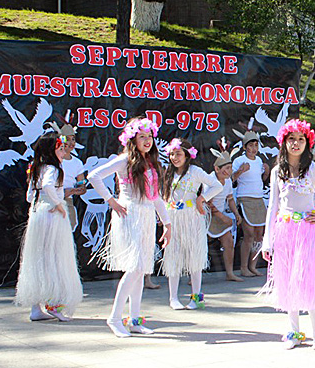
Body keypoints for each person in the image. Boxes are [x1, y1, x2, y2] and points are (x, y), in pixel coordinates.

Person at [259, 119, 315, 350]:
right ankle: (294, 331)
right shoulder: (277, 172)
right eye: (291, 139)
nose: (296, 143)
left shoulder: (313, 169)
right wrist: (267, 241)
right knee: (288, 280)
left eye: (301, 139)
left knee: (306, 279)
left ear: (307, 143)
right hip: (285, 230)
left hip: (308, 232)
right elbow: (273, 206)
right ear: (284, 142)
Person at [88, 116, 172, 338]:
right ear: (132, 139)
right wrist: (111, 201)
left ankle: (134, 320)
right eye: (142, 136)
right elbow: (94, 176)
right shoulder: (124, 160)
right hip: (130, 214)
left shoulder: (150, 163)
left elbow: (155, 197)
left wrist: (167, 223)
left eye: (149, 136)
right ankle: (115, 318)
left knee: (141, 269)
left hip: (146, 216)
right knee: (134, 268)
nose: (147, 140)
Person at [15, 132, 83, 322]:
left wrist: (45, 203)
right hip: (52, 216)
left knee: (38, 258)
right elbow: (47, 186)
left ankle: (36, 308)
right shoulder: (53, 169)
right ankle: (54, 305)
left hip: (38, 213)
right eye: (60, 148)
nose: (63, 151)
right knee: (55, 258)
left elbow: (30, 196)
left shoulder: (37, 167)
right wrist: (58, 204)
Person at [162, 138, 223, 310]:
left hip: (192, 217)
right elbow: (162, 195)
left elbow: (217, 186)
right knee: (173, 256)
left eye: (178, 154)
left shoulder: (195, 171)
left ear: (187, 155)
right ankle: (173, 298)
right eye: (172, 154)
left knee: (195, 257)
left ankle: (196, 297)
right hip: (173, 217)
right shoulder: (168, 172)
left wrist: (201, 199)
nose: (174, 158)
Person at [232, 131, 269, 277]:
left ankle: (253, 266)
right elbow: (231, 179)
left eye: (256, 145)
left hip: (259, 199)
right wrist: (240, 171)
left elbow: (262, 180)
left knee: (259, 235)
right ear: (244, 147)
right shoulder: (239, 161)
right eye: (251, 145)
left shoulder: (259, 160)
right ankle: (243, 267)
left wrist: (266, 172)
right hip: (245, 199)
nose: (254, 148)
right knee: (249, 234)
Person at [208, 149, 244, 281]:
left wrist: (236, 213)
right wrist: (223, 218)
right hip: (205, 217)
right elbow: (207, 203)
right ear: (217, 169)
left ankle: (230, 273)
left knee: (228, 241)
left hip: (219, 216)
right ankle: (195, 276)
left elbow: (230, 199)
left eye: (230, 168)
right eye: (227, 168)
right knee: (200, 246)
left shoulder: (228, 181)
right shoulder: (210, 180)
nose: (230, 171)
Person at [49, 122, 86, 233]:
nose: (71, 143)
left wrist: (73, 191)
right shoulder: (51, 160)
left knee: (69, 228)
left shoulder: (77, 163)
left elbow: (82, 186)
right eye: (67, 139)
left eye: (73, 139)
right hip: (51, 200)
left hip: (67, 201)